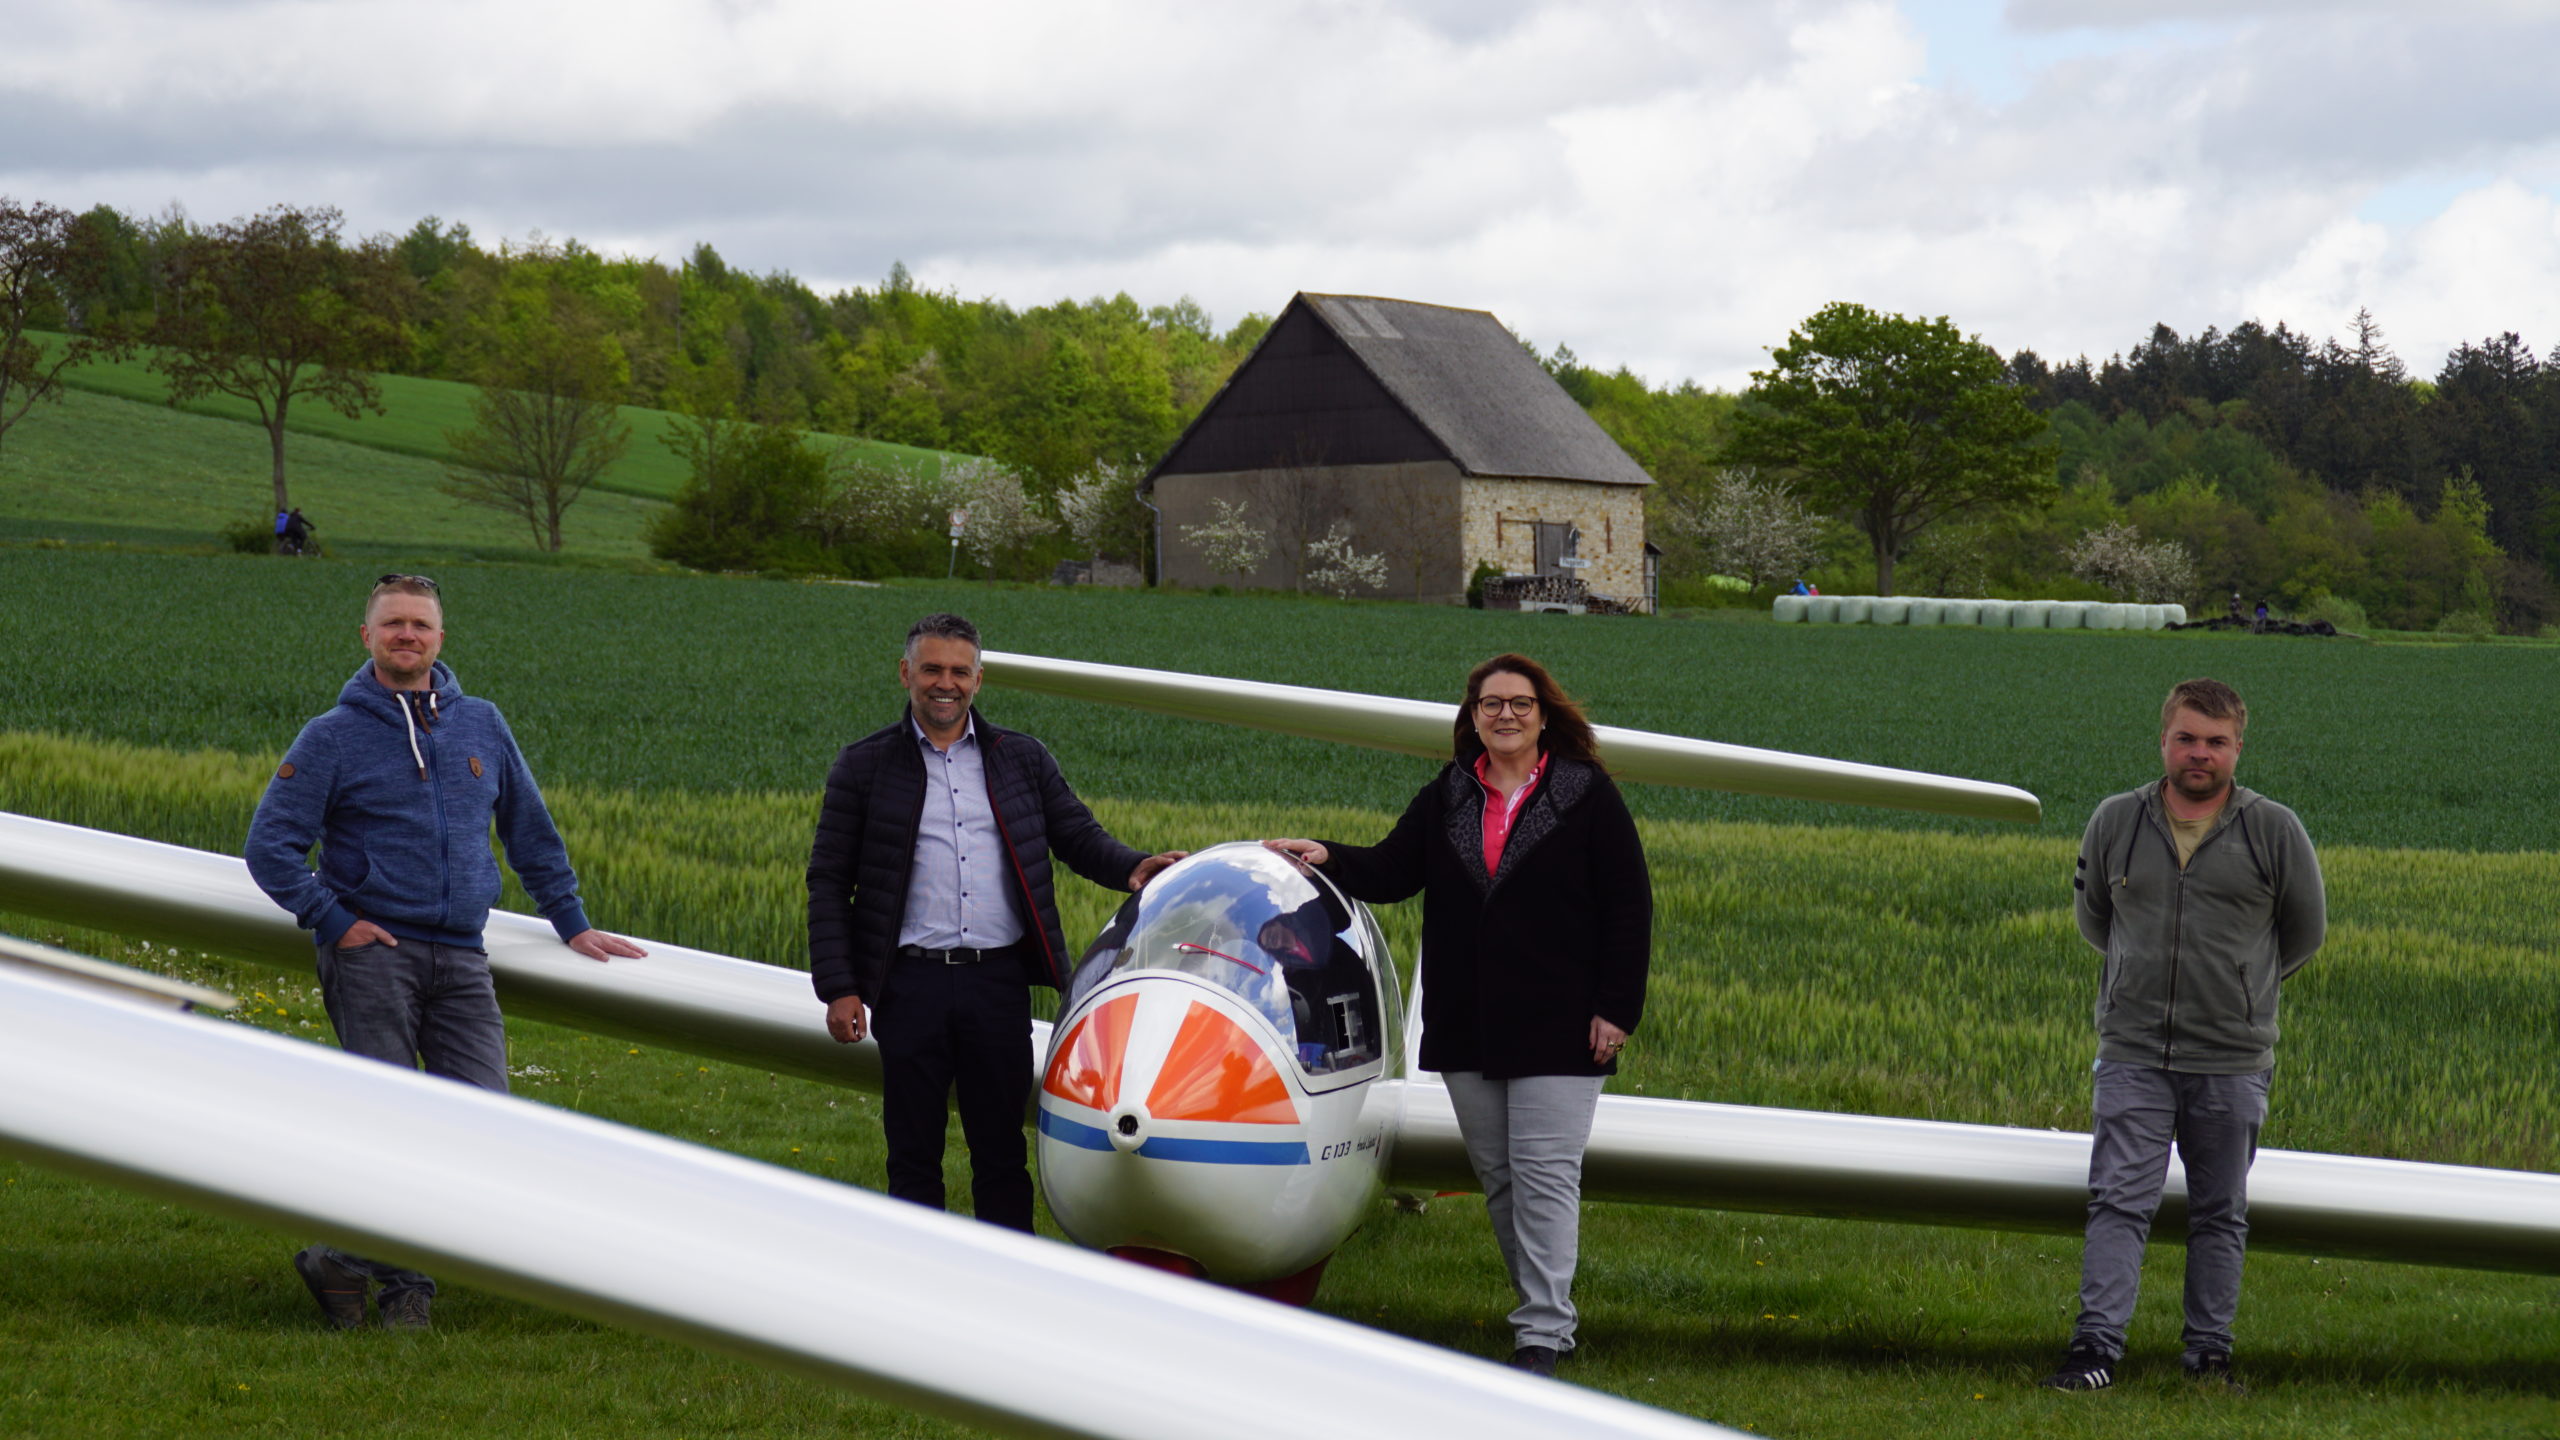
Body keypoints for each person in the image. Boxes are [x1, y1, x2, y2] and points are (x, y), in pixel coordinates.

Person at [245, 574, 646, 1330]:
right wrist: (332, 921)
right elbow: (271, 846)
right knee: (392, 1125)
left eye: (420, 625)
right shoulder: (331, 736)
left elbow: (530, 829)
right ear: (366, 637)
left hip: (462, 956)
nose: (407, 635)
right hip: (374, 953)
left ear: (440, 637)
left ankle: (343, 1260)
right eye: (392, 623)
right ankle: (408, 1290)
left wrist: (571, 921)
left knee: (481, 1128)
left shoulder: (482, 725)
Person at [1265, 653, 1649, 1377]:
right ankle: (1542, 1312)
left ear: (1544, 715)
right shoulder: (1449, 794)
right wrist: (1328, 856)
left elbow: (1630, 908)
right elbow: (1392, 870)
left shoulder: (1585, 793)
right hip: (1469, 1018)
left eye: (1520, 704)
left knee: (1543, 1173)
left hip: (1563, 1023)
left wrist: (1615, 1010)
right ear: (1472, 716)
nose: (1505, 715)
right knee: (1501, 1178)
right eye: (1490, 703)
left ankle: (1542, 1332)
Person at [806, 613, 1182, 1232]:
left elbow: (1077, 836)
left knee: (1002, 1154)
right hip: (910, 987)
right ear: (906, 674)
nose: (944, 683)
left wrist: (1136, 866)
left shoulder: (1021, 760)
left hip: (997, 985)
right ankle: (922, 1281)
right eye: (931, 669)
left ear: (979, 680)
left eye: (959, 671)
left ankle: (1010, 1285)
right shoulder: (864, 765)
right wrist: (840, 986)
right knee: (913, 1155)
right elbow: (827, 879)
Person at [2042, 678, 2325, 1393]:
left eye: (2216, 742)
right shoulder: (2115, 820)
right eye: (2188, 738)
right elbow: (2095, 920)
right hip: (2133, 1051)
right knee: (2118, 1202)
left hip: (2231, 1060)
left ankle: (2208, 1357)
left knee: (2219, 1213)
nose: (2200, 753)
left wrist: (2240, 992)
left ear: (2237, 748)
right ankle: (2096, 1350)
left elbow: (2302, 934)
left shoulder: (2274, 830)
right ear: (2164, 739)